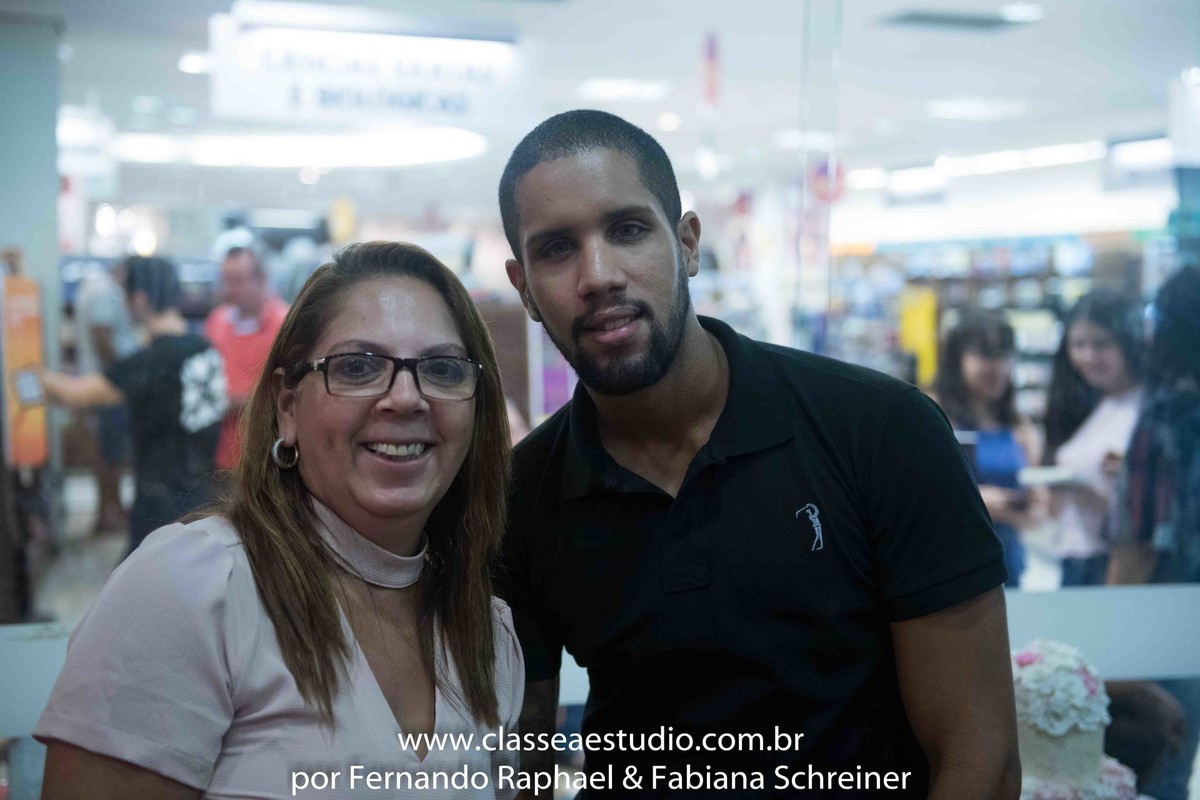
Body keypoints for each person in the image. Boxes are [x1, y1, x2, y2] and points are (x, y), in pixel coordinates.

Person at [498, 110, 1019, 798]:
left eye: (627, 230)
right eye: (557, 249)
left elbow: (977, 756)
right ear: (524, 288)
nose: (598, 275)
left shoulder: (881, 431)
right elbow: (520, 755)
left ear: (686, 244)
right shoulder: (520, 493)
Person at [35, 242, 524, 799]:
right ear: (288, 406)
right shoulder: (191, 591)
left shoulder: (486, 633)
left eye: (441, 368)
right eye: (358, 367)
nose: (406, 398)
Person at [43, 256, 228, 554]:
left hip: (160, 506)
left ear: (140, 300)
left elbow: (75, 394)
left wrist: (32, 377)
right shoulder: (205, 349)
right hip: (204, 499)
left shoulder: (151, 362)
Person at [1108, 265, 1200, 800]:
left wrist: (1115, 661)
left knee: (1155, 768)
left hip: (1162, 622)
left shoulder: (1166, 415)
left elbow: (1137, 542)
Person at [932, 309, 1044, 588]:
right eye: (984, 355)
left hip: (1008, 563)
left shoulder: (1019, 425)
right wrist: (979, 500)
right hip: (947, 562)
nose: (997, 367)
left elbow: (1039, 507)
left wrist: (1003, 507)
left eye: (1004, 355)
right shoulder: (932, 414)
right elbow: (915, 493)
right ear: (957, 358)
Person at [1043, 289, 1146, 586]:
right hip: (1072, 557)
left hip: (1120, 563)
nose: (1088, 356)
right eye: (1078, 344)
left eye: (1101, 344)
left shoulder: (1148, 411)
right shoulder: (1083, 406)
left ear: (1128, 341)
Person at [204, 232, 289, 470]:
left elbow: (292, 395)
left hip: (265, 458)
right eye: (225, 280)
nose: (228, 289)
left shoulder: (285, 327)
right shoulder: (217, 321)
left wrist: (232, 401)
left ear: (262, 279)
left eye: (237, 280)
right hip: (218, 455)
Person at [73, 259, 139, 533]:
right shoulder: (103, 291)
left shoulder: (95, 286)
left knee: (106, 451)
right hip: (107, 387)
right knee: (109, 454)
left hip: (103, 383)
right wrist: (123, 373)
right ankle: (109, 514)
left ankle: (108, 511)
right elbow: (101, 336)